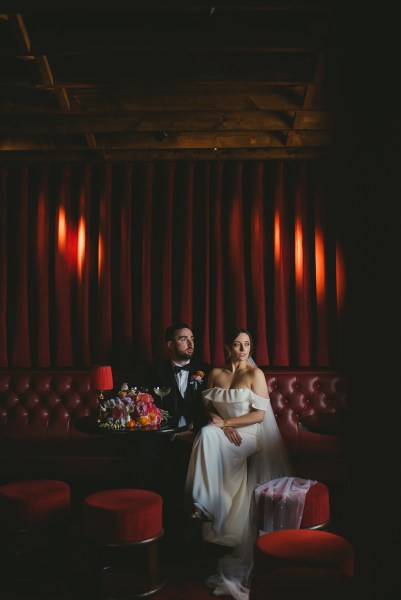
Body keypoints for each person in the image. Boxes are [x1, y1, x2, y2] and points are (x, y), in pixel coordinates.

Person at [184, 327, 293, 600]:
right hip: (220, 431)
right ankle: (204, 505)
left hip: (247, 435)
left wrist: (227, 423)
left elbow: (259, 415)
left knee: (210, 434)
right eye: (237, 344)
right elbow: (208, 405)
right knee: (206, 433)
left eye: (247, 344)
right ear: (227, 347)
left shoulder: (254, 374)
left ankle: (207, 505)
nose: (243, 349)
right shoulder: (216, 374)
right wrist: (216, 422)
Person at [147, 322, 210, 535]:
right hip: (165, 436)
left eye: (192, 338)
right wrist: (174, 436)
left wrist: (197, 435)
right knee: (145, 457)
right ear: (170, 344)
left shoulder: (207, 371)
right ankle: (153, 524)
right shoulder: (156, 372)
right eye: (184, 339)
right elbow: (151, 409)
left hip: (198, 436)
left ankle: (190, 530)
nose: (191, 342)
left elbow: (211, 410)